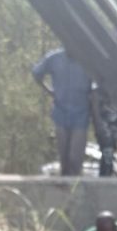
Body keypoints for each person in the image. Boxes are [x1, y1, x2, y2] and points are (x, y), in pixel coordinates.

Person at [32, 47, 92, 176]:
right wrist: (49, 91)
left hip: (81, 113)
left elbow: (97, 84)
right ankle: (65, 191)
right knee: (64, 158)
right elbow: (37, 73)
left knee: (75, 158)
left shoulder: (87, 60)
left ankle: (76, 189)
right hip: (61, 111)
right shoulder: (54, 58)